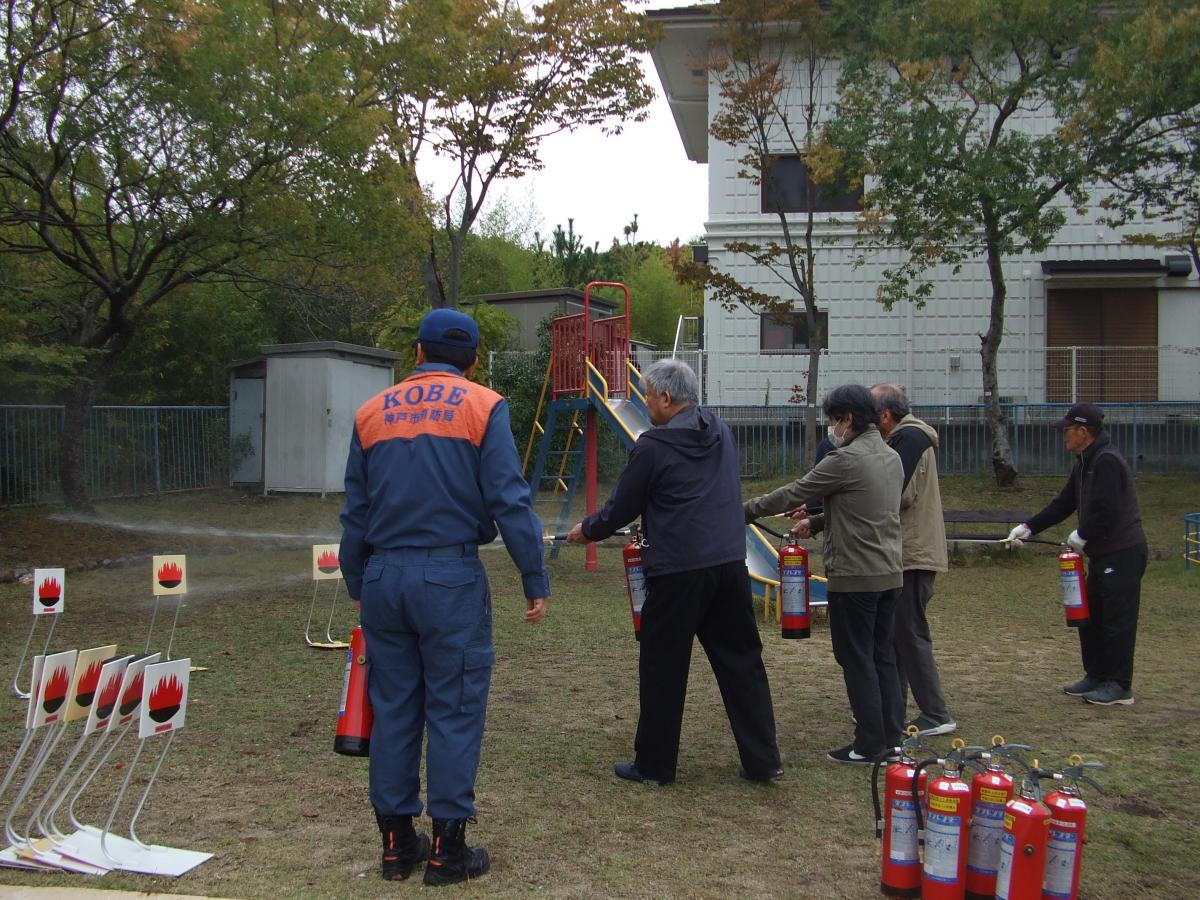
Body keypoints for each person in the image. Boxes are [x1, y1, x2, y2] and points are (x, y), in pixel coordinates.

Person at [339, 308, 549, 886]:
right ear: (474, 360)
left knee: (394, 709)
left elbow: (355, 512)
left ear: (416, 351)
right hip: (450, 580)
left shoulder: (370, 413)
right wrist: (534, 577)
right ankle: (448, 851)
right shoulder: (485, 406)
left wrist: (359, 582)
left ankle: (396, 843)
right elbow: (509, 498)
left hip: (383, 580)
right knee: (454, 710)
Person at [566, 359, 782, 786]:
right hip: (728, 564)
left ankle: (655, 765)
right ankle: (764, 760)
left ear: (666, 398)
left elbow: (622, 507)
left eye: (648, 395)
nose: (645, 403)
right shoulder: (719, 430)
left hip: (678, 570)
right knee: (743, 664)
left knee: (663, 666)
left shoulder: (653, 447)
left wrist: (586, 530)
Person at [744, 384, 904, 764]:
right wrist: (817, 523)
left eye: (832, 420)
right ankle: (892, 739)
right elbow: (864, 507)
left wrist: (746, 509)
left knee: (856, 657)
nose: (831, 428)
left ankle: (868, 744)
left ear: (847, 418)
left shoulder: (843, 459)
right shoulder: (890, 456)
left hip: (855, 574)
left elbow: (794, 491)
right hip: (890, 573)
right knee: (883, 656)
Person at [1006, 402, 1147, 706]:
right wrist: (1029, 527)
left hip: (1122, 553)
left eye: (1067, 431)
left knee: (1116, 621)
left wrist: (1082, 535)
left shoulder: (1107, 461)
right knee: (1091, 616)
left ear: (1084, 432)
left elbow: (1106, 511)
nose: (1064, 436)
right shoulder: (1085, 461)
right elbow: (1064, 503)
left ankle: (1120, 685)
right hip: (1101, 554)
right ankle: (1096, 674)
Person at [870, 384, 955, 738]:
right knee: (896, 635)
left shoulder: (910, 440)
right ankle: (894, 708)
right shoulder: (903, 439)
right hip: (904, 552)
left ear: (885, 415)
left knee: (910, 632)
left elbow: (895, 492)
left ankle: (936, 713)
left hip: (912, 553)